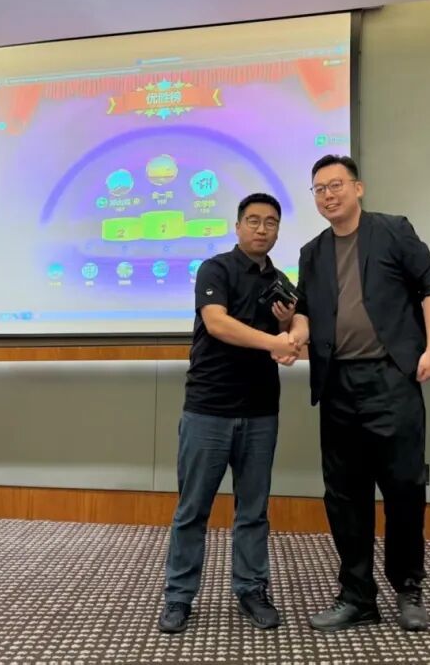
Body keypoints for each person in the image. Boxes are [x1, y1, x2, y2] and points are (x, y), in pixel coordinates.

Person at [288, 155, 430, 632]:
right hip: (337, 384)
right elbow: (304, 311)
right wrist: (294, 335)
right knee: (344, 494)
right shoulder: (312, 252)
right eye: (319, 189)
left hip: (391, 378)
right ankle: (357, 596)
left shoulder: (393, 230)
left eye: (335, 185)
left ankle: (408, 587)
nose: (328, 195)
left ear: (358, 188)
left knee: (403, 488)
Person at [158, 193, 301, 634]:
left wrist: (287, 329)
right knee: (192, 510)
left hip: (261, 412)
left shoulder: (281, 281)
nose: (262, 229)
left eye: (270, 222)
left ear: (277, 230)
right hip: (209, 409)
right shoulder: (215, 269)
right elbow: (217, 323)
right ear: (238, 226)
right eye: (253, 221)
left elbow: (295, 332)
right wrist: (276, 342)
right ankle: (179, 596)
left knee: (253, 511)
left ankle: (251, 589)